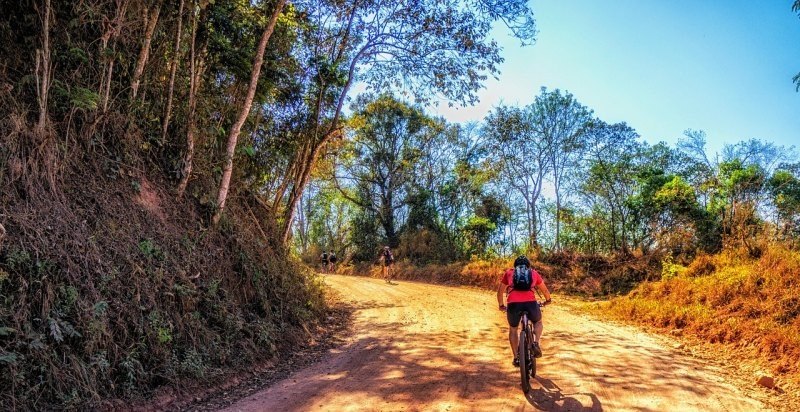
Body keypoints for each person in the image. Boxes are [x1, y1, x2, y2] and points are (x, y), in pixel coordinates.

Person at [497, 255, 552, 367]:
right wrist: (548, 300)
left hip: (513, 305)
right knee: (538, 322)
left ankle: (516, 358)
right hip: (530, 304)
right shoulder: (533, 273)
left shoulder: (509, 273)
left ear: (515, 265)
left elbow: (500, 292)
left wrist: (501, 305)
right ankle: (535, 342)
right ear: (528, 265)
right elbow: (545, 290)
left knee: (513, 329)